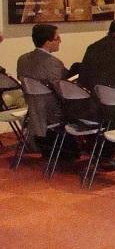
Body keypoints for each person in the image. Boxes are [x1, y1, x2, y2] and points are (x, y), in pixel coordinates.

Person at [16, 24, 69, 155]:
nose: (60, 41)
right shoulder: (53, 63)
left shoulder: (22, 59)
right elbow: (63, 92)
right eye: (57, 38)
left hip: (33, 110)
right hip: (52, 112)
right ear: (47, 42)